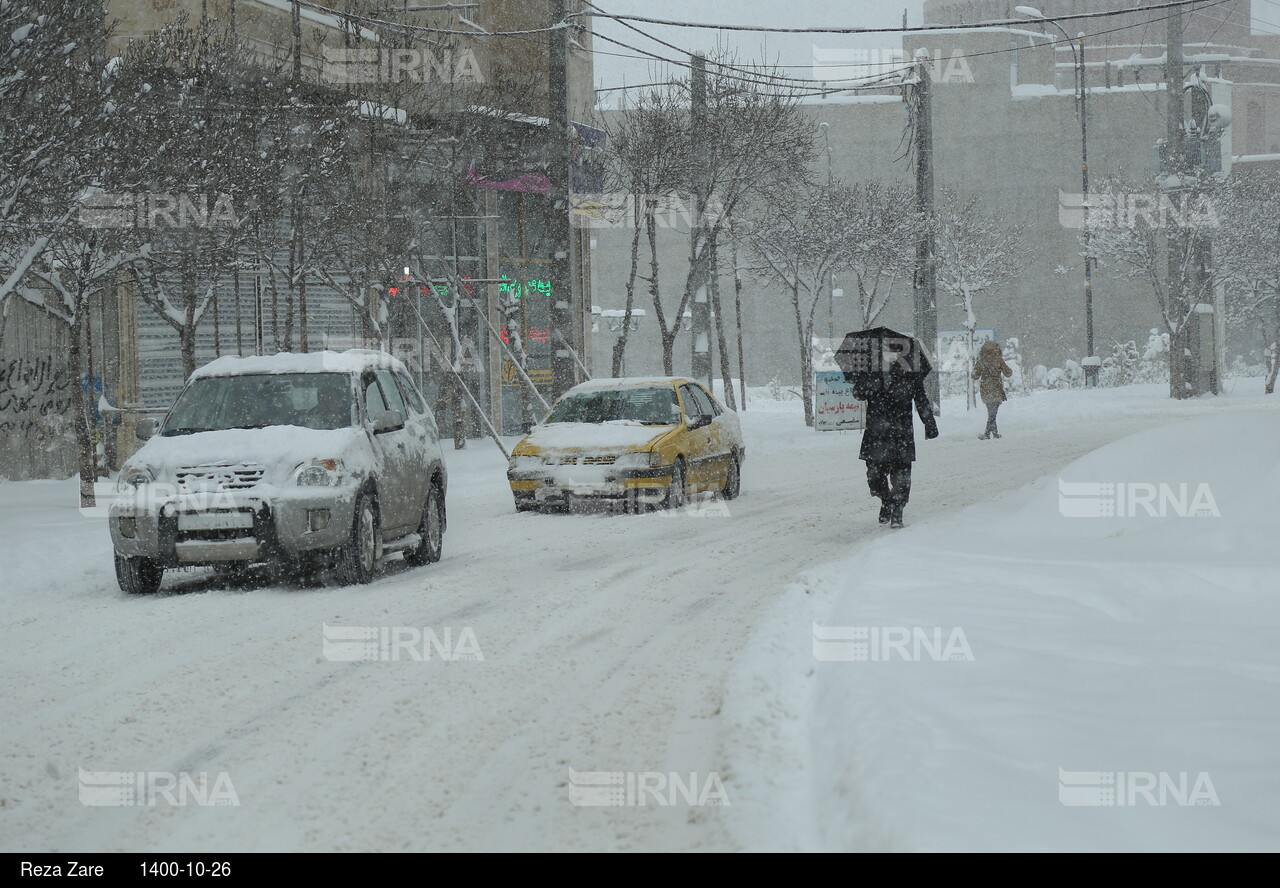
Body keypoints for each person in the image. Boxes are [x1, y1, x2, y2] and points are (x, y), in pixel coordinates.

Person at [856, 338, 939, 529]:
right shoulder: (873, 372)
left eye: (896, 351)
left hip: (901, 433)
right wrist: (865, 379)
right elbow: (858, 393)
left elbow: (921, 400)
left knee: (902, 477)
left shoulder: (910, 374)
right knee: (874, 476)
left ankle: (898, 510)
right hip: (876, 434)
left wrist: (929, 423)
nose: (892, 354)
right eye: (888, 351)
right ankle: (886, 500)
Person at [972, 339, 1013, 440]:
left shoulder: (981, 361)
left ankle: (992, 433)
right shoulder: (998, 360)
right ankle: (989, 434)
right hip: (997, 389)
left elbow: (974, 376)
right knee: (992, 413)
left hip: (985, 390)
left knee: (991, 413)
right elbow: (1008, 373)